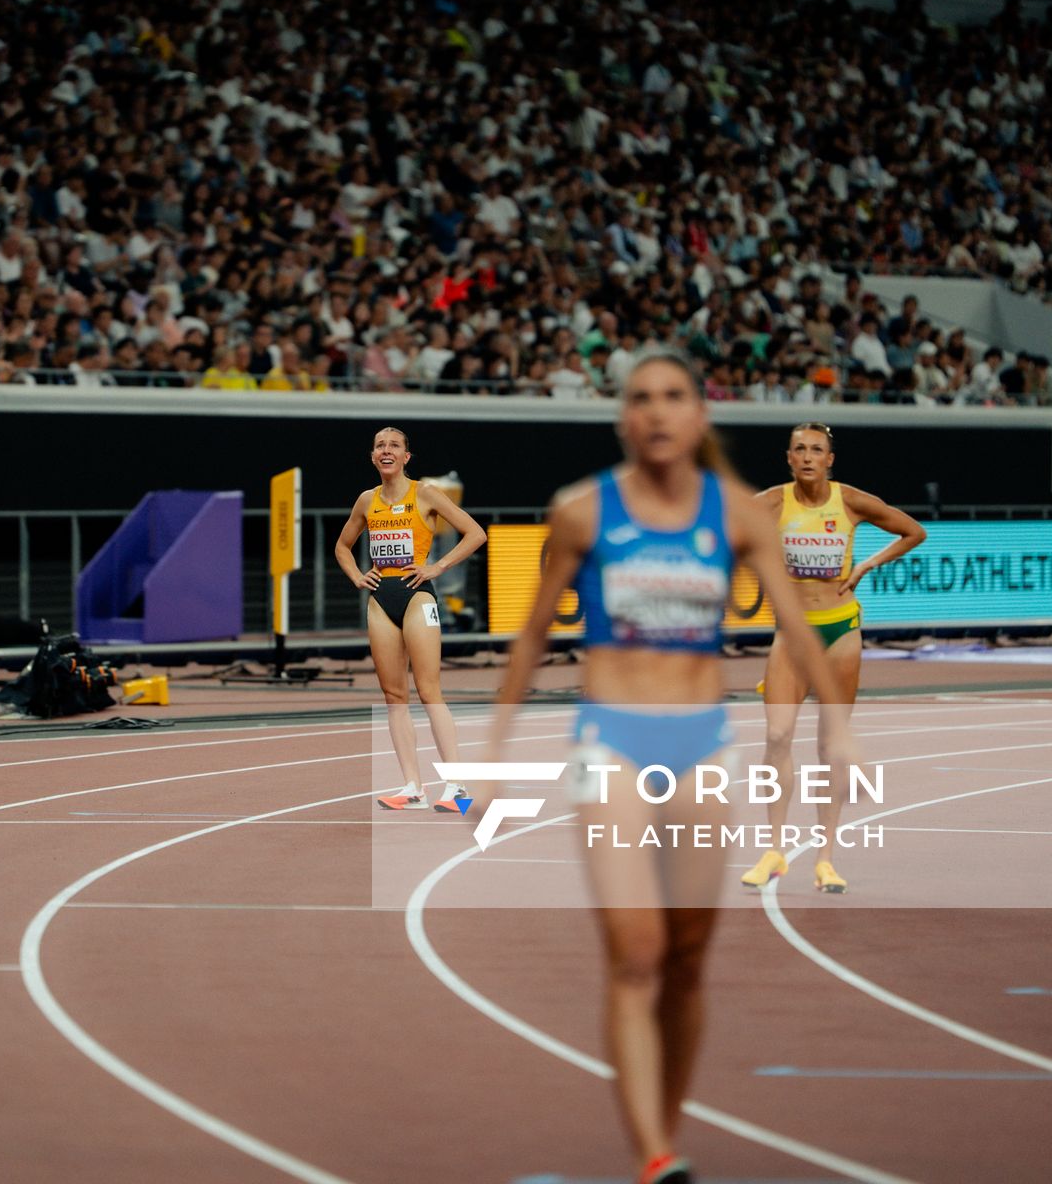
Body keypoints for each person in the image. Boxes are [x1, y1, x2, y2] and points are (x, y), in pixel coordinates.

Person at [483, 348, 855, 1184]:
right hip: (608, 741)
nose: (656, 411)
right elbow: (536, 633)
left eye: (674, 397)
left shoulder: (735, 515)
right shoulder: (581, 512)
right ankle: (655, 1154)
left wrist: (843, 724)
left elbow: (798, 629)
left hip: (700, 749)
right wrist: (495, 747)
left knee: (688, 958)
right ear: (624, 417)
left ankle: (667, 1127)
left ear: (698, 417)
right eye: (640, 398)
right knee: (637, 950)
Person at [743, 422, 924, 893]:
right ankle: (774, 850)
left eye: (816, 450)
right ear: (788, 458)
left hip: (840, 632)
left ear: (829, 460)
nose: (807, 457)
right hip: (792, 635)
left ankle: (825, 858)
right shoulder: (770, 502)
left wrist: (865, 564)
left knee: (830, 746)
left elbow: (913, 532)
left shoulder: (849, 501)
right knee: (778, 735)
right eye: (799, 449)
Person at [333, 427, 487, 811]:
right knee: (393, 696)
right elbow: (341, 546)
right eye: (380, 446)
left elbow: (475, 533)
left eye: (394, 446)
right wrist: (356, 576)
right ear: (373, 457)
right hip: (380, 599)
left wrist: (438, 567)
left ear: (406, 457)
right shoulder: (366, 501)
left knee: (429, 690)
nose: (387, 450)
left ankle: (457, 788)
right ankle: (412, 786)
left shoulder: (426, 494)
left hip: (417, 595)